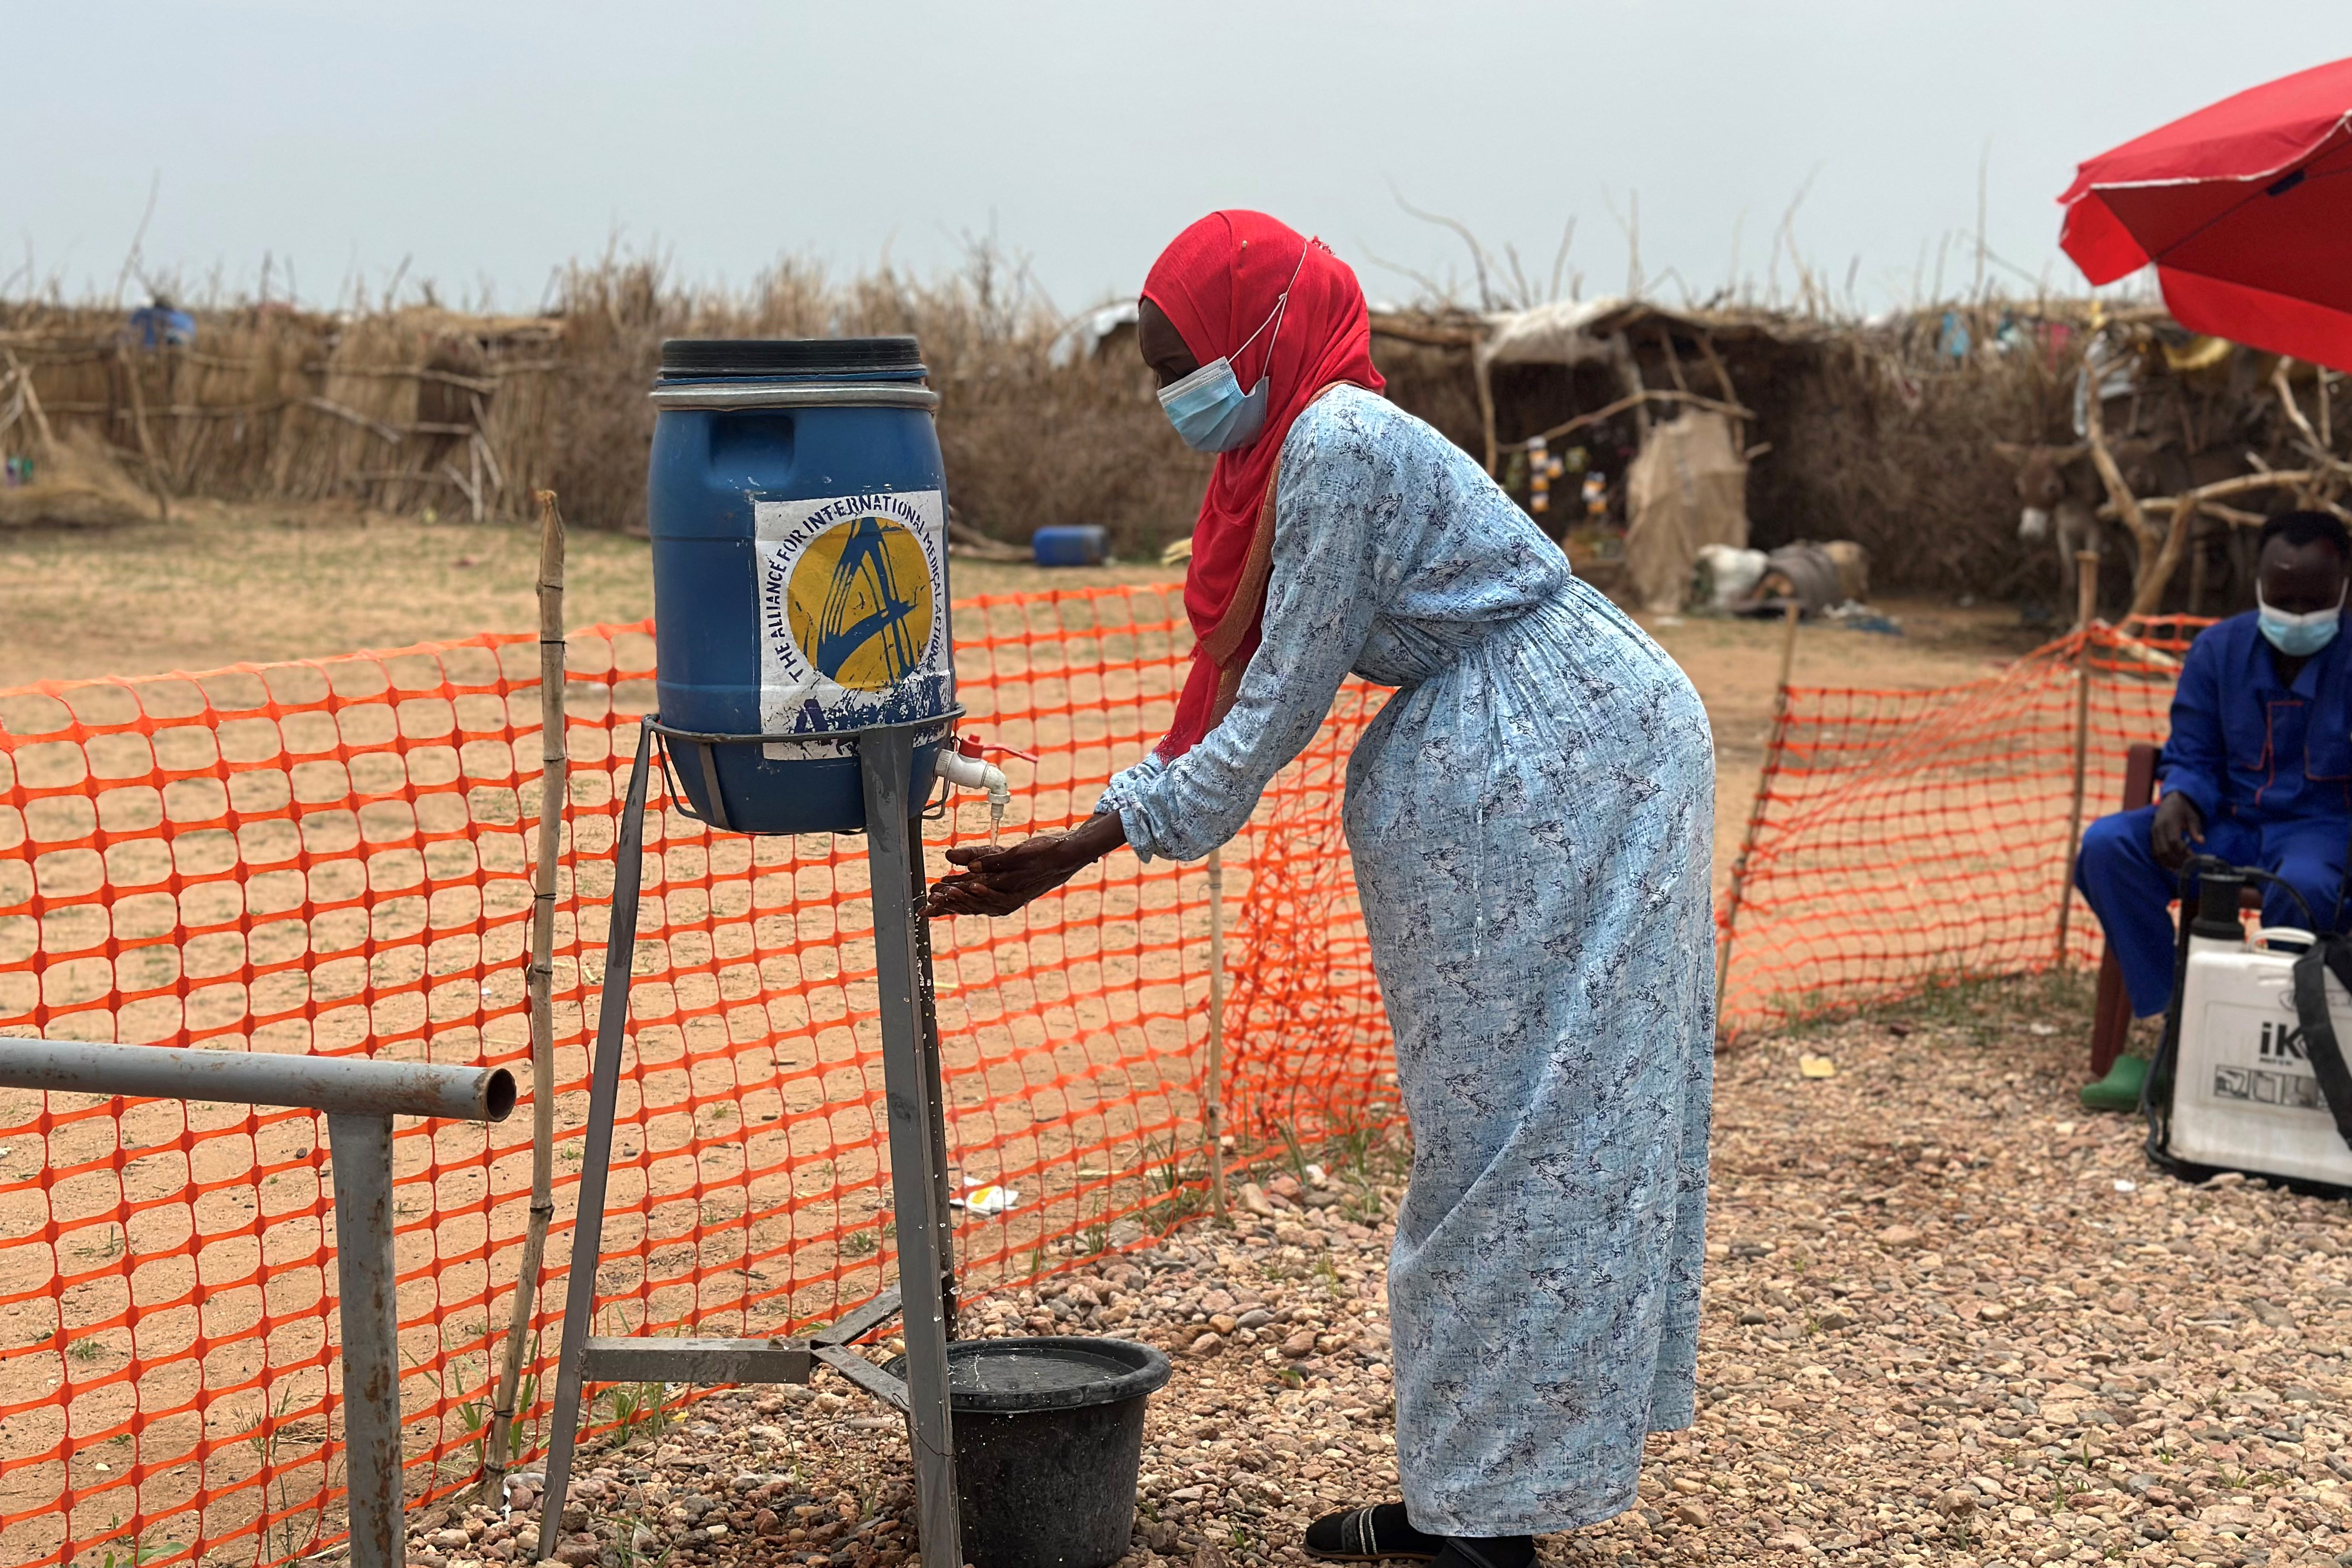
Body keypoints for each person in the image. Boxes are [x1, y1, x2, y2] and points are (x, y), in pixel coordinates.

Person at [928, 211, 1717, 1564]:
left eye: (1181, 360)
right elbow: (1245, 684)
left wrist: (1083, 841)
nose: (1167, 392)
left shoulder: (1334, 442)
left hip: (1575, 757)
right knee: (1496, 1136)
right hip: (1524, 751)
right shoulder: (1277, 454)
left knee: (1526, 1138)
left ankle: (1482, 1519)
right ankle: (1472, 1494)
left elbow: (1275, 702)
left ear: (1263, 331)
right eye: (1151, 367)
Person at [2077, 509, 2352, 1017]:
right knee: (2108, 847)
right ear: (2259, 585)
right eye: (2281, 599)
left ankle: (2281, 1026)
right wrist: (2179, 794)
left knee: (2309, 888)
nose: (2295, 616)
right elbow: (2193, 748)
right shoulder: (2218, 650)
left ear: (2344, 588)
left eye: (2312, 603)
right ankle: (2171, 1020)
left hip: (2322, 834)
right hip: (2226, 825)